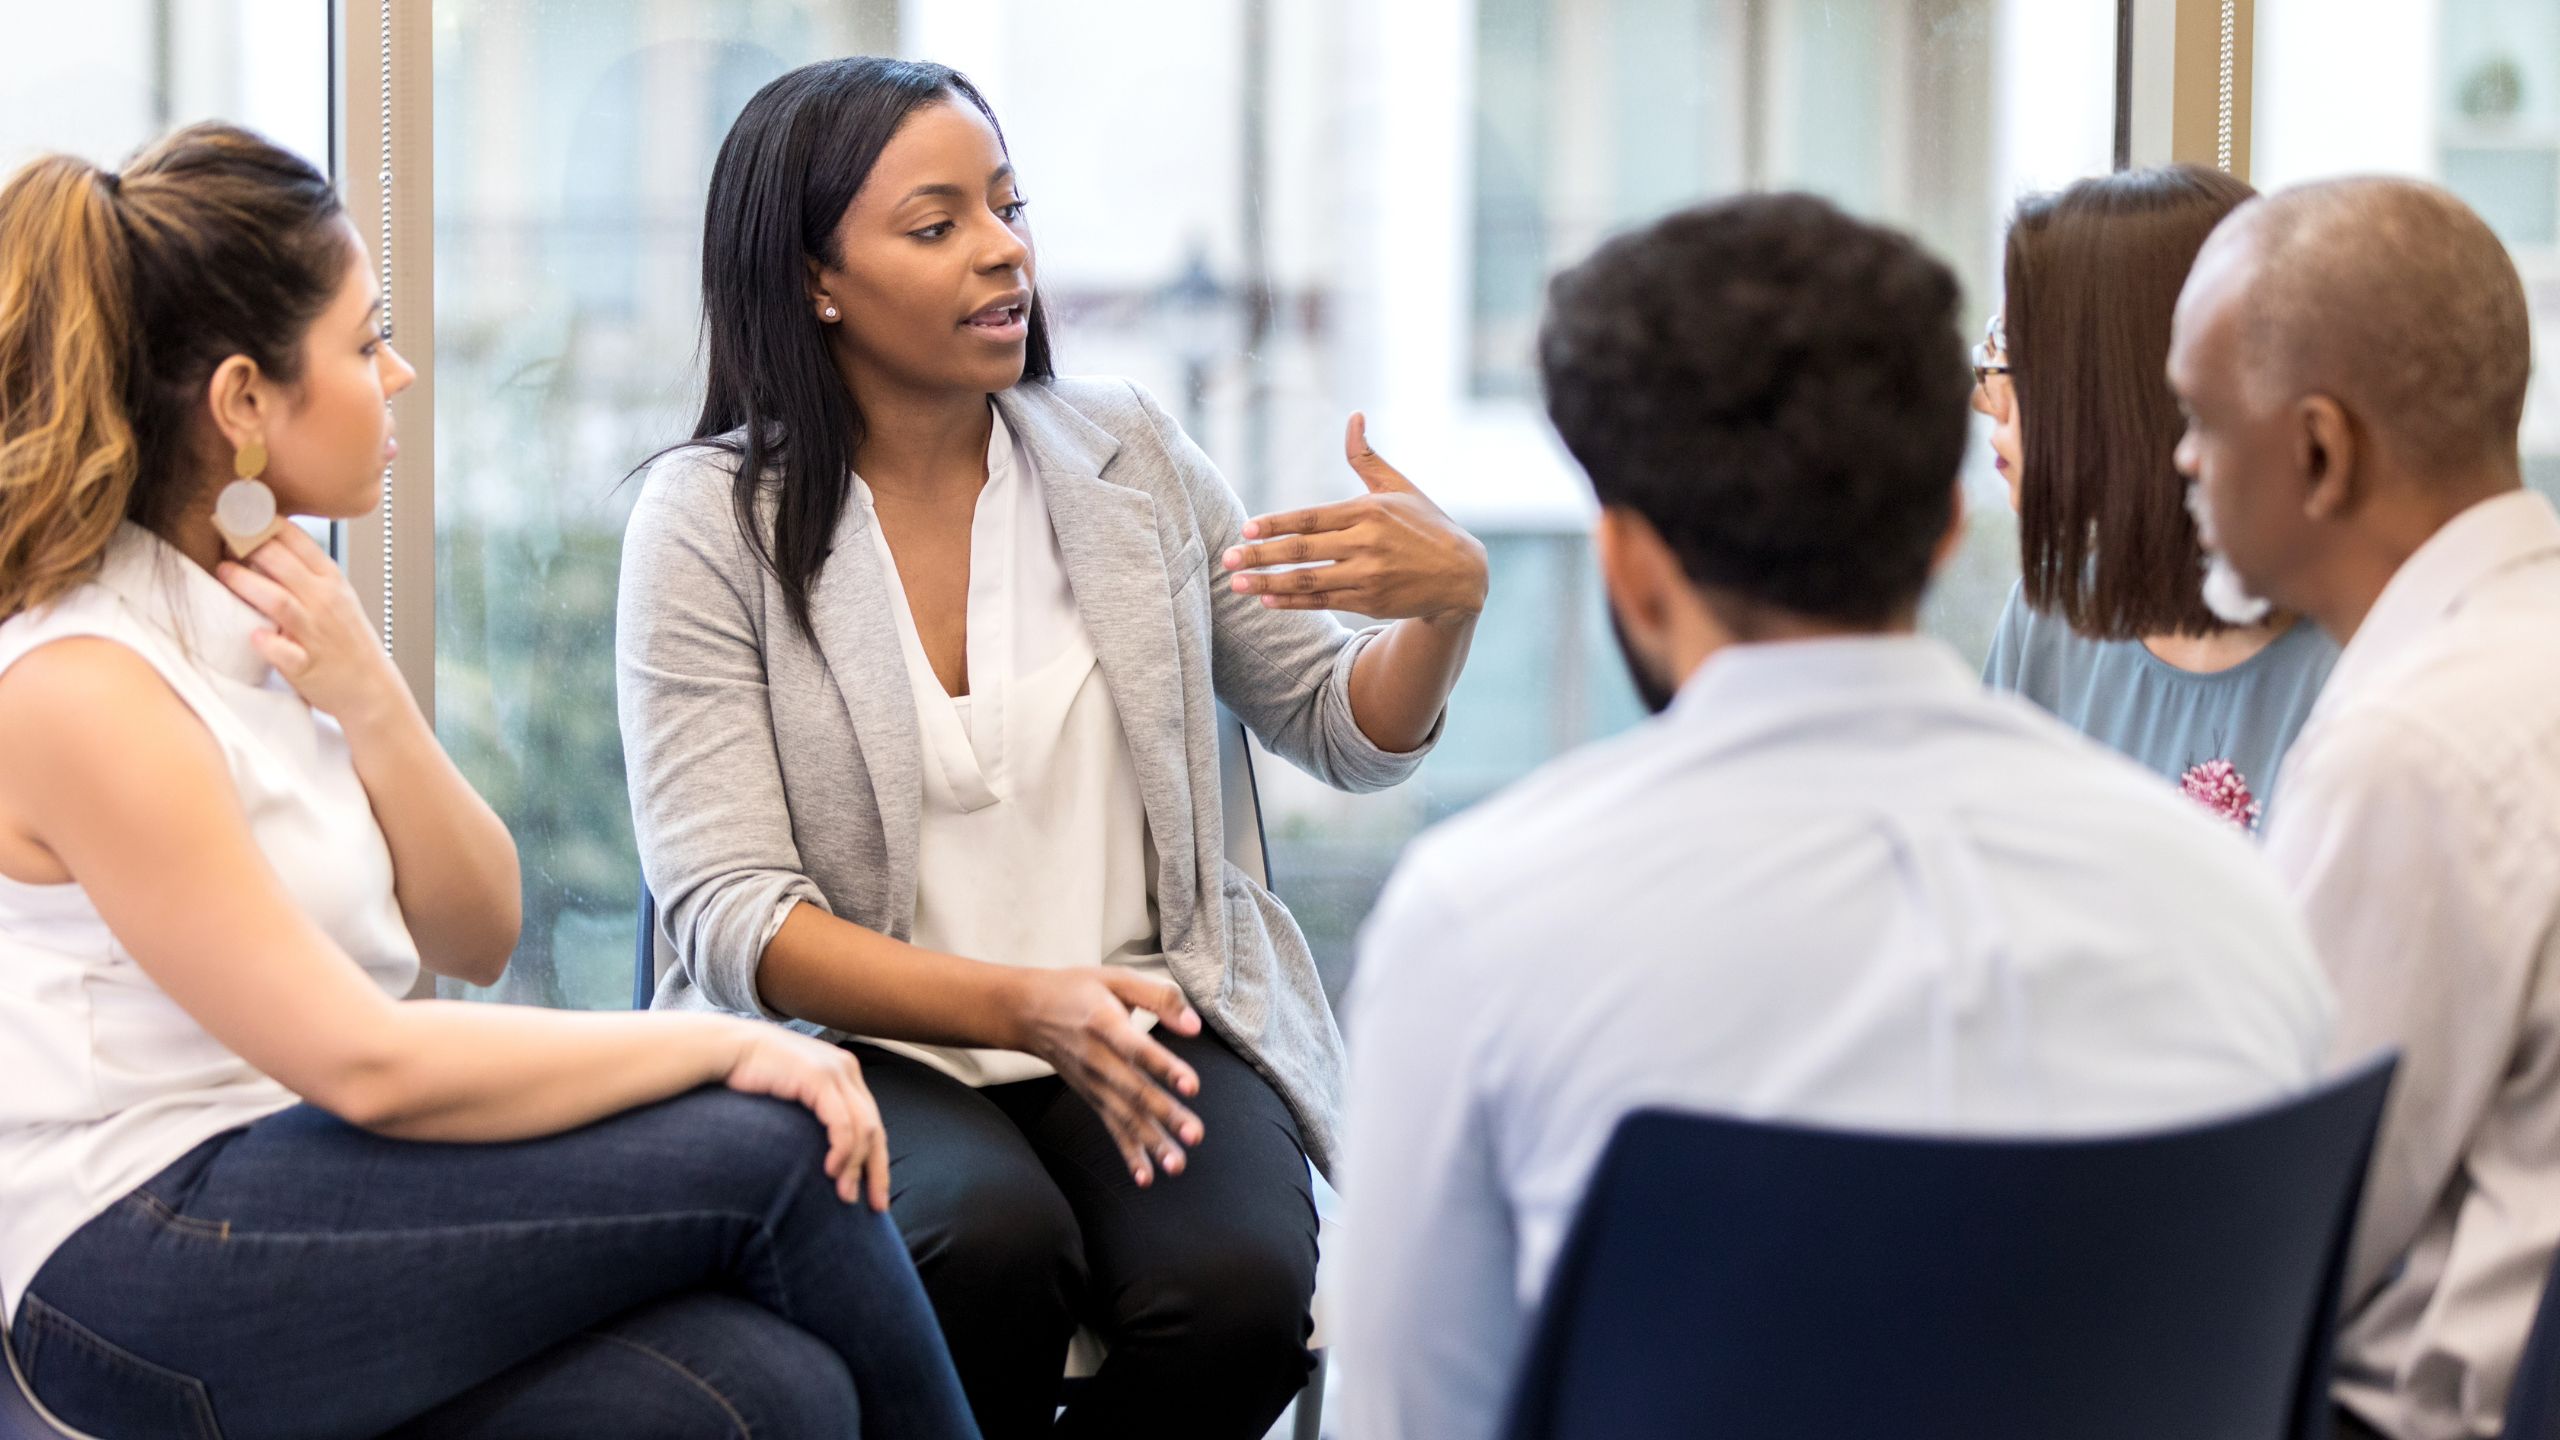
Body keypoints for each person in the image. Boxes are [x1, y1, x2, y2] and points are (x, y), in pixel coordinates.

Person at [0, 124, 978, 1439]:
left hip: (304, 1180)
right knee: (777, 1149)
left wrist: (372, 697)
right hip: (137, 1261)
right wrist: (722, 1044)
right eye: (361, 344)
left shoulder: (264, 616)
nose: (397, 375)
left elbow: (476, 929)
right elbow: (369, 1063)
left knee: (767, 1395)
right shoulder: (85, 689)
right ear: (242, 403)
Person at [1332, 192, 2337, 1440]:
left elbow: (1413, 1415)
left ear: (1633, 567)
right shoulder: (2229, 907)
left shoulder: (1477, 926)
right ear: (1945, 533)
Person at [615, 58, 1486, 1440]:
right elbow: (734, 918)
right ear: (811, 282)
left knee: (1240, 1292)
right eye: (937, 221)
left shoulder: (1128, 456)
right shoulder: (709, 521)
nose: (1004, 246)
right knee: (983, 1247)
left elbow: (1338, 724)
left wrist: (1445, 611)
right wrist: (1022, 1006)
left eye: (1007, 206)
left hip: (1142, 1018)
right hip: (853, 1040)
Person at [2170, 176, 2560, 1440]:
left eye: (2197, 418)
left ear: (2320, 452)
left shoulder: (2411, 748)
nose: (2180, 460)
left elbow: (2269, 1235)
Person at [1977, 164, 2334, 832]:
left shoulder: (2355, 663)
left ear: (2127, 398)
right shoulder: (2048, 613)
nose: (1986, 398)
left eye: (2022, 365)